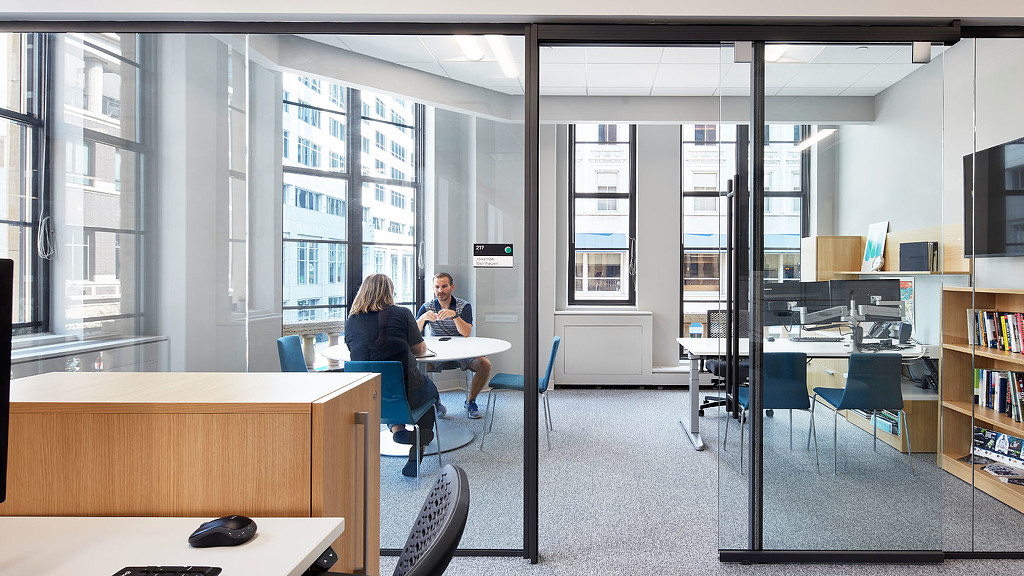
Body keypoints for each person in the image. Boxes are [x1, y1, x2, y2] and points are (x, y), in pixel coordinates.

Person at [345, 274, 440, 478]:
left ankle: (397, 430)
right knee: (430, 392)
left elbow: (355, 351)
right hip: (405, 393)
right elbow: (419, 351)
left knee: (387, 389)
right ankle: (417, 452)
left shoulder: (352, 320)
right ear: (389, 292)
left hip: (366, 397)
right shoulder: (402, 314)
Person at [416, 272, 491, 419]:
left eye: (444, 286)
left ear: (452, 287)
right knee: (417, 369)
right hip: (437, 353)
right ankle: (435, 401)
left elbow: (466, 333)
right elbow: (414, 332)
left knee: (485, 364)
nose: (440, 290)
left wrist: (454, 315)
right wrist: (423, 318)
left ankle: (471, 401)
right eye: (437, 287)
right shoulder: (427, 307)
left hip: (463, 350)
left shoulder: (463, 306)